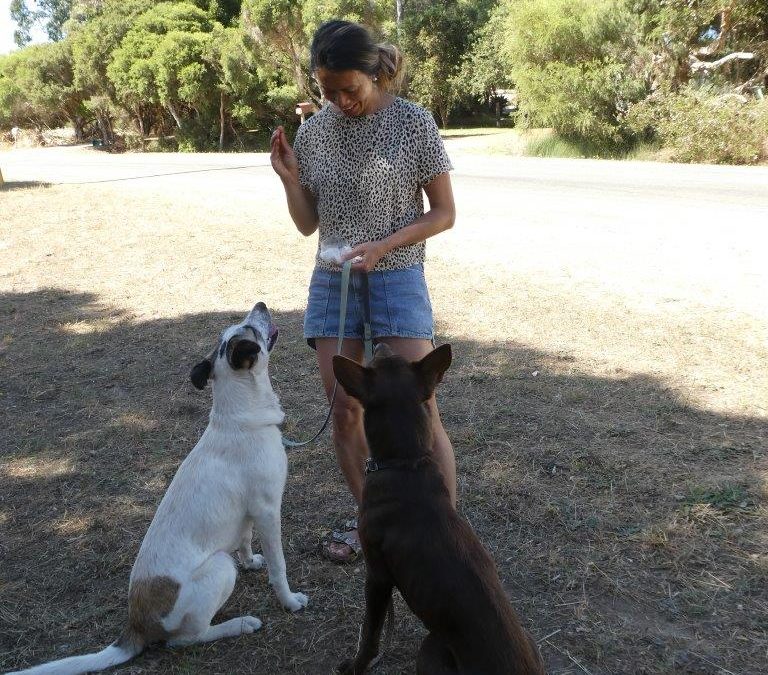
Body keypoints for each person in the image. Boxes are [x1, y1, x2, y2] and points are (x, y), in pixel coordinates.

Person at [270, 19, 457, 563]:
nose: (339, 101)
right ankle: (372, 523)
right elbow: (308, 223)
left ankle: (442, 528)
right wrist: (288, 179)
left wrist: (381, 246)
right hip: (333, 278)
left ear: (374, 73)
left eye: (348, 89)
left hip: (397, 274)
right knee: (345, 408)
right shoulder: (315, 132)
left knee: (420, 407)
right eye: (327, 91)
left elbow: (444, 214)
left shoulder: (414, 124)